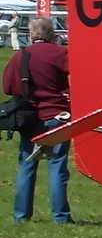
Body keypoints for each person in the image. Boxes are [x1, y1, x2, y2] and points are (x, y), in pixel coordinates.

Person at [4, 16, 73, 224]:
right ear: (52, 33)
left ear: (32, 34)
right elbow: (78, 77)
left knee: (26, 166)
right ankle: (60, 216)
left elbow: (8, 88)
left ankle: (21, 215)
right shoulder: (60, 54)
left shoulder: (21, 56)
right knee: (57, 167)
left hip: (30, 117)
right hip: (57, 116)